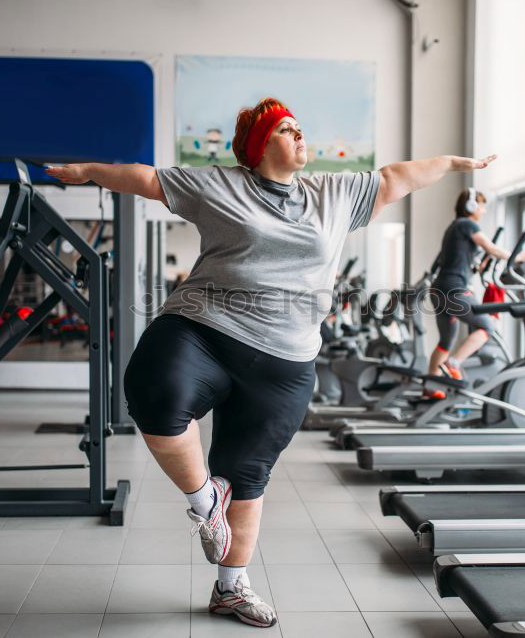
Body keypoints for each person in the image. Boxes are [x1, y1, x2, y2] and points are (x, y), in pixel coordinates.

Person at [47, 97, 496, 628]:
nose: (300, 136)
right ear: (260, 145)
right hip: (204, 328)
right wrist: (82, 172)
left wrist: (453, 164)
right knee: (154, 389)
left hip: (286, 359)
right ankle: (203, 501)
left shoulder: (334, 193)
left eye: (301, 128)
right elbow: (144, 178)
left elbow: (398, 177)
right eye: (287, 129)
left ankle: (231, 589)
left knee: (247, 475)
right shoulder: (219, 185)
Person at [426, 188, 525, 392]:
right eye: (482, 205)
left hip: (439, 290)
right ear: (471, 206)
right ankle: (453, 364)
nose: (484, 210)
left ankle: (431, 389)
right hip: (454, 290)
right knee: (487, 327)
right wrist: (521, 256)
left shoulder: (454, 227)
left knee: (445, 341)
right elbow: (491, 247)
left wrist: (478, 268)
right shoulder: (467, 224)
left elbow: (460, 261)